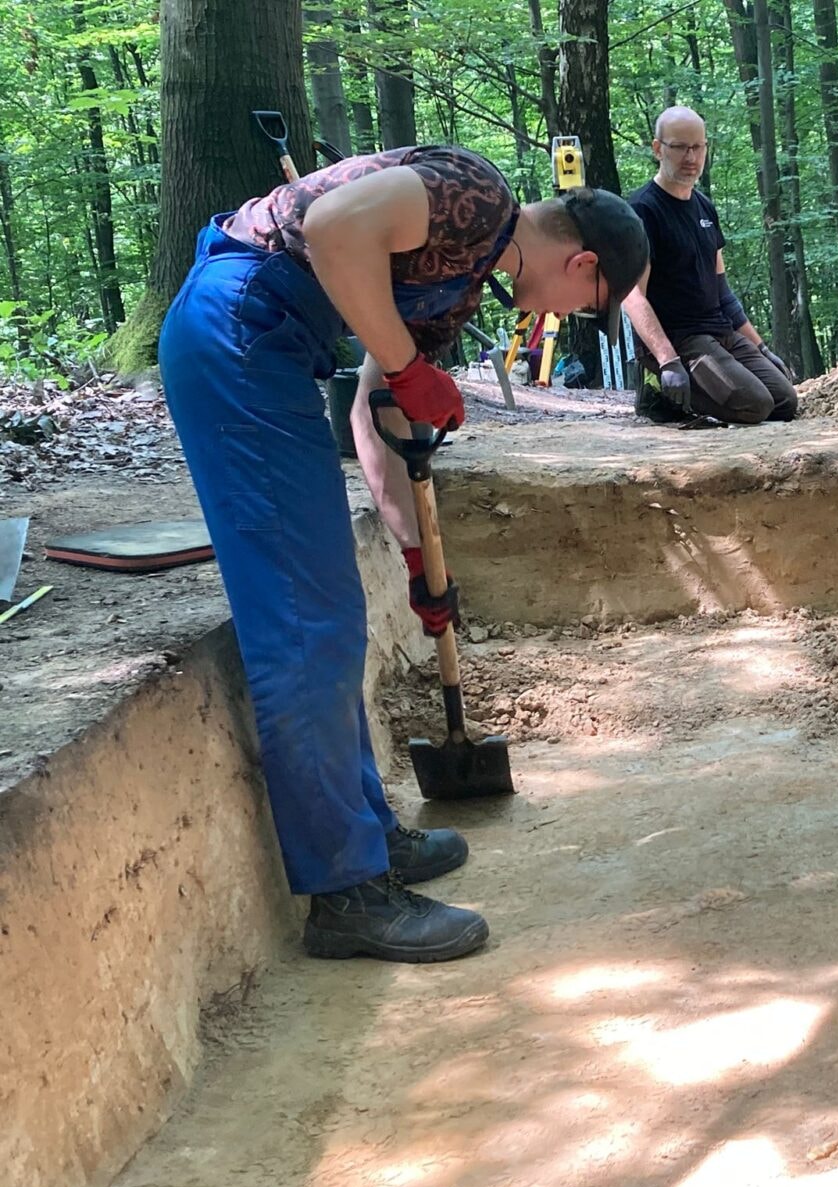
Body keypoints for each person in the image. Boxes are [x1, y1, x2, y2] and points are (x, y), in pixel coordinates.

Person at [158, 144, 648, 961]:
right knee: (304, 624)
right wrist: (406, 364)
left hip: (272, 347)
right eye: (584, 301)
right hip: (237, 330)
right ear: (582, 261)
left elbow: (376, 420)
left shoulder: (458, 291)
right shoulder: (477, 197)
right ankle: (343, 894)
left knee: (333, 615)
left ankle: (371, 840)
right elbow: (329, 225)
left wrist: (420, 561)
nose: (558, 316)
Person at [623, 105, 799, 426]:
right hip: (681, 341)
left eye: (697, 147)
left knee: (785, 401)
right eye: (679, 147)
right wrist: (667, 361)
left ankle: (691, 391)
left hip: (720, 332)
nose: (690, 157)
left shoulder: (704, 206)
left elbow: (722, 291)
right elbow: (633, 297)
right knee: (755, 406)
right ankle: (657, 393)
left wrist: (760, 346)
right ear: (658, 149)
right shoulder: (641, 211)